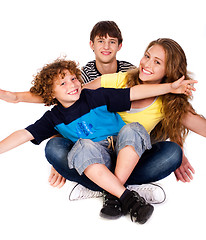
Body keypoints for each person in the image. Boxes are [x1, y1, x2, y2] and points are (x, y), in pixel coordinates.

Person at [0, 58, 195, 223]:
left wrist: (170, 87)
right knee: (76, 146)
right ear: (51, 94)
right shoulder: (53, 118)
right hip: (96, 160)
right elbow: (23, 134)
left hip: (126, 153)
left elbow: (133, 93)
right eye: (63, 83)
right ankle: (128, 197)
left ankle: (110, 192)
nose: (73, 84)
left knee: (136, 130)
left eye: (74, 78)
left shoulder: (95, 95)